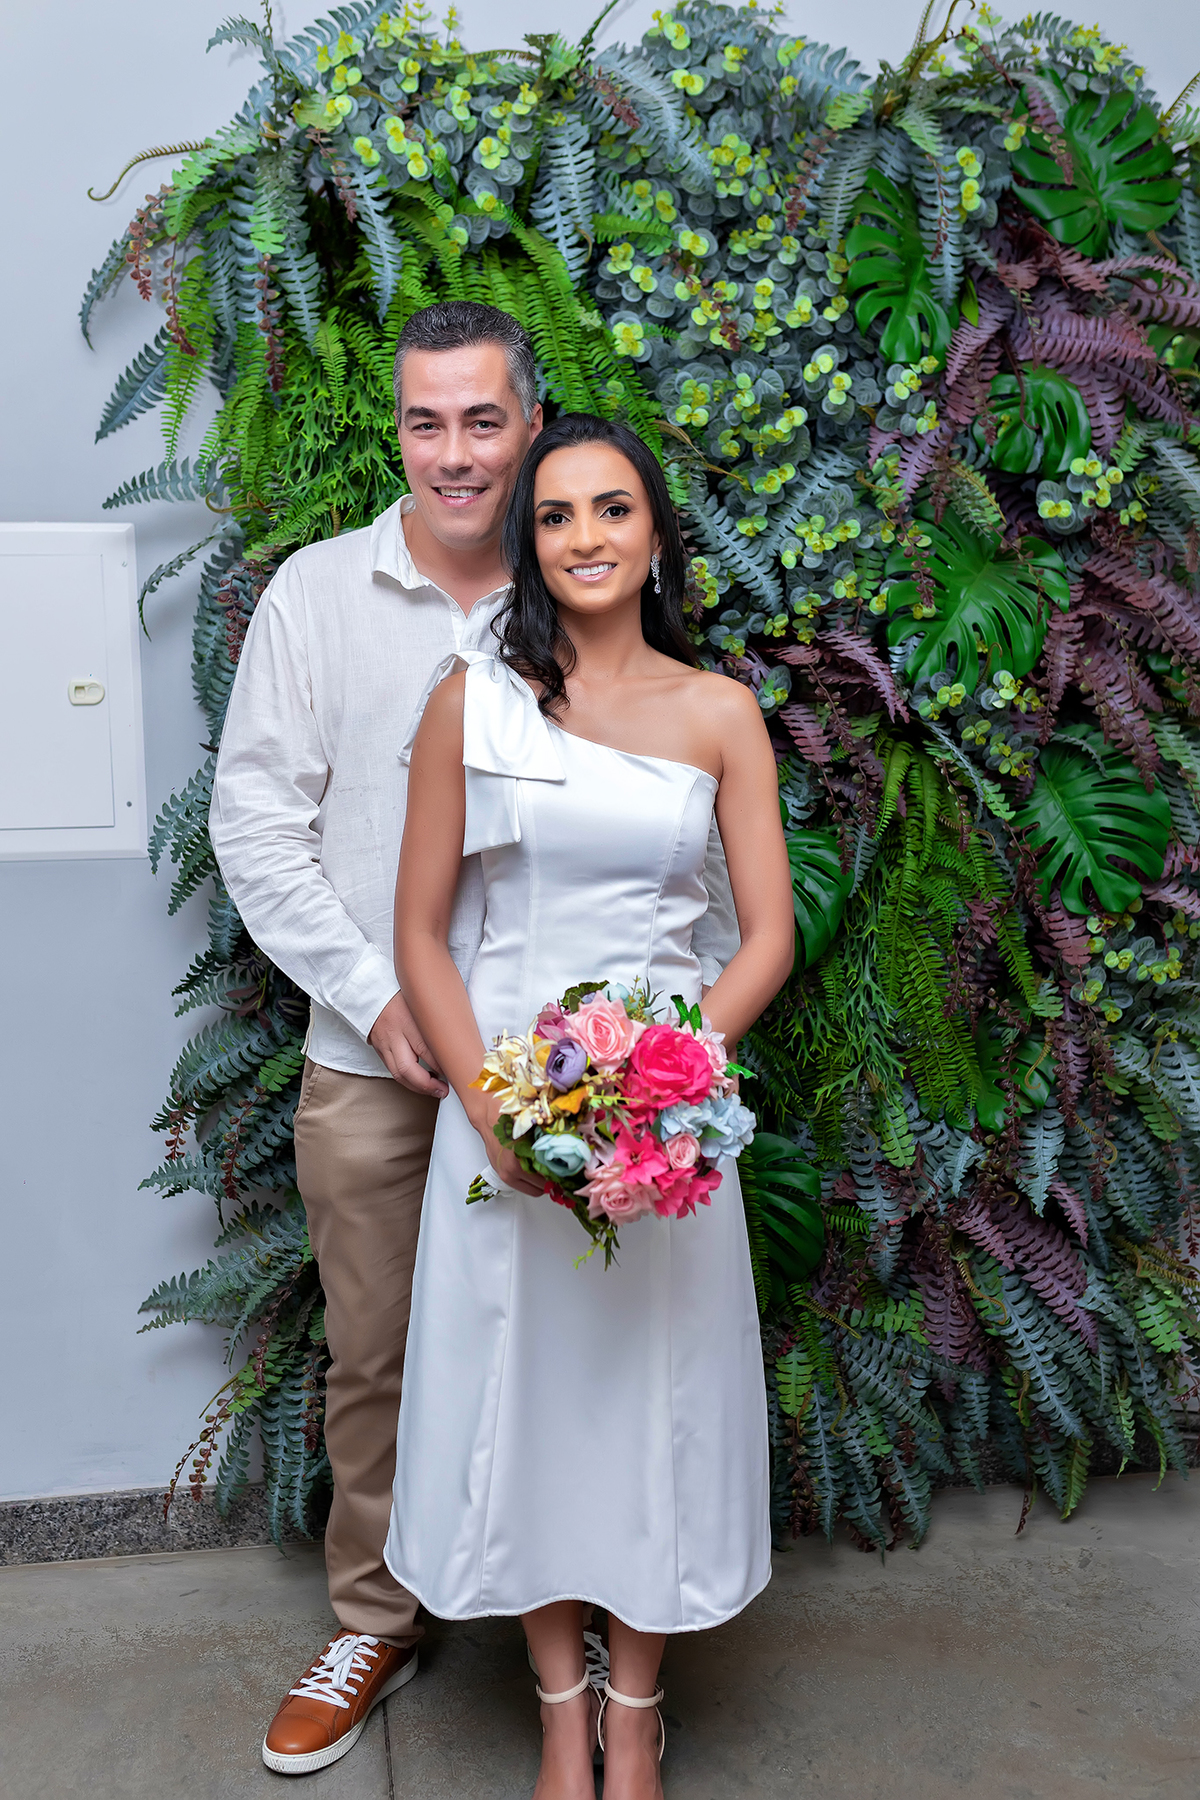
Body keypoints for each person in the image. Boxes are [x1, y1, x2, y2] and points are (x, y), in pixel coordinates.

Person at [209, 305, 742, 1778]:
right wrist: (383, 995)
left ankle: (601, 1657)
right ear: (399, 432)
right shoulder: (320, 597)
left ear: (531, 427)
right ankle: (376, 1621)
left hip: (582, 1069)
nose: (454, 453)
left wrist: (659, 1062)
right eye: (424, 422)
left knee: (594, 1356)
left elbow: (686, 871)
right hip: (374, 1049)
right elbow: (256, 822)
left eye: (482, 421)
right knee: (381, 1354)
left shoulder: (580, 575)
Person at [386, 413, 795, 1799]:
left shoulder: (721, 713)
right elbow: (422, 934)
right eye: (555, 515)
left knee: (647, 1408)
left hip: (666, 1128)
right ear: (529, 543)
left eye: (612, 508)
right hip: (507, 1110)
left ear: (657, 532)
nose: (585, 537)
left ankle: (638, 1710)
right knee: (528, 1411)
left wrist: (660, 1090)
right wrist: (496, 1115)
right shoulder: (471, 703)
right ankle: (561, 1707)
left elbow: (766, 938)